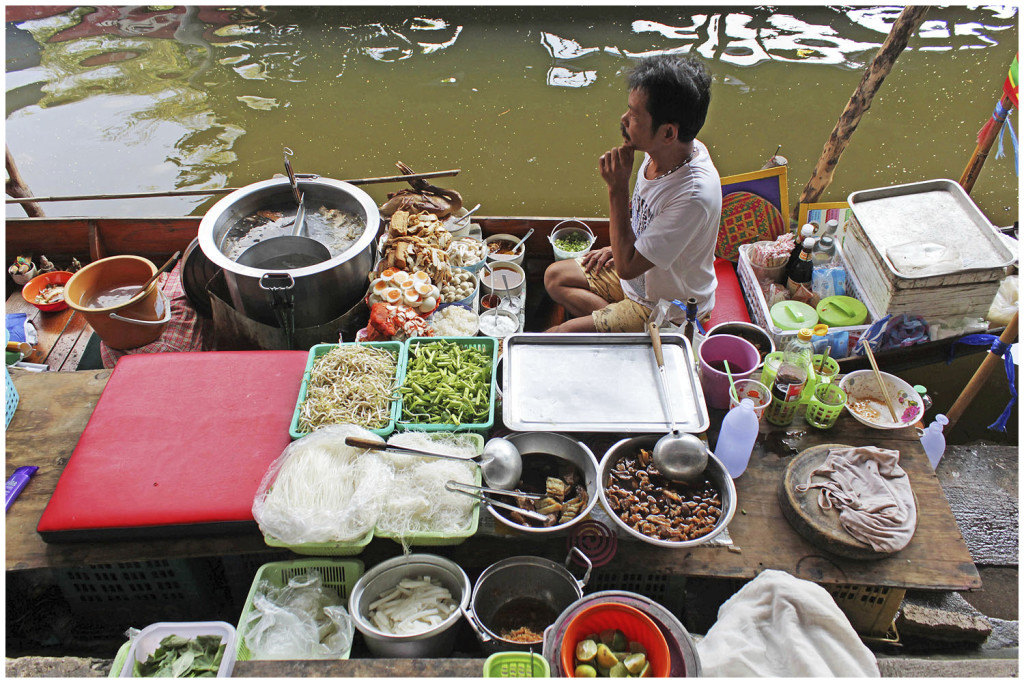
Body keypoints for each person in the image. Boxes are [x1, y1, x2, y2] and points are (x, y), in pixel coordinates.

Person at [545, 55, 721, 332]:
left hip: (664, 305)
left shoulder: (693, 195)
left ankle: (646, 329)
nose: (624, 119)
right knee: (555, 277)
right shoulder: (666, 152)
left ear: (668, 133)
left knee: (556, 335)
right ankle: (619, 324)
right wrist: (617, 249)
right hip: (639, 275)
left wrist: (617, 188)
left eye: (635, 115)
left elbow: (627, 268)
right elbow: (644, 223)